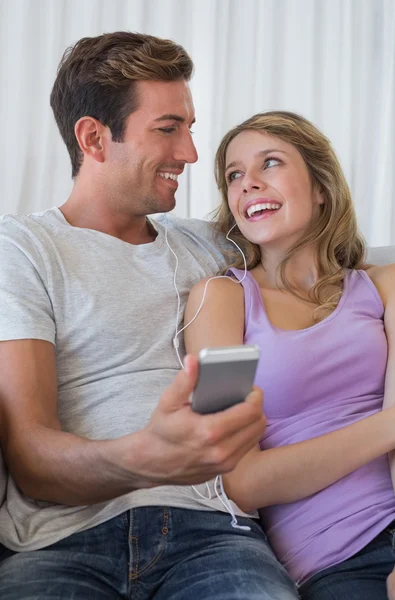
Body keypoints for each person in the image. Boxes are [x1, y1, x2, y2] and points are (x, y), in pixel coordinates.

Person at [0, 34, 299, 599]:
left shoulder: (217, 249)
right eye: (167, 129)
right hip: (60, 542)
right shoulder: (25, 249)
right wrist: (142, 457)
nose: (189, 154)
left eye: (189, 127)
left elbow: (325, 258)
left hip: (212, 534)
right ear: (93, 138)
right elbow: (31, 454)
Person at [184, 110, 395, 600]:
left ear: (320, 187)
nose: (248, 184)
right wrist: (389, 426)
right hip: (336, 557)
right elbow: (242, 480)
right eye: (234, 175)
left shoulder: (387, 287)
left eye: (270, 163)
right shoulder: (223, 301)